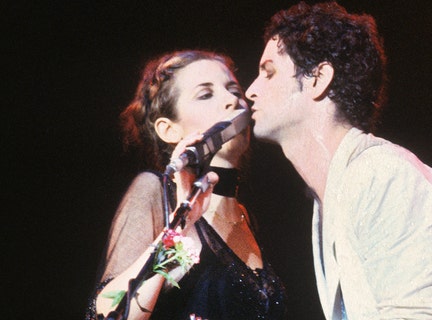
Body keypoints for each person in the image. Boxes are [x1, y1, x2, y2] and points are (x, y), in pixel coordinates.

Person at [245, 2, 432, 319]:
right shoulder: (335, 191)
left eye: (268, 72)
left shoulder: (383, 175)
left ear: (318, 78)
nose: (251, 90)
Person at [86, 50, 286, 320]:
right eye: (205, 95)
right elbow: (109, 311)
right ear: (169, 130)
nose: (232, 101)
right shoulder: (155, 194)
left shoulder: (245, 217)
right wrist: (181, 227)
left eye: (234, 90)